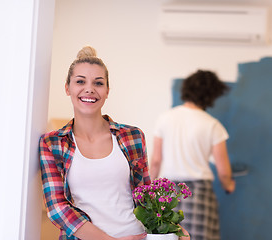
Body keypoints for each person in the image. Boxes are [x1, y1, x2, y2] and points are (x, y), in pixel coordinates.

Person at [39, 46, 188, 240]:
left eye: (98, 83)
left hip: (137, 235)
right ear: (67, 88)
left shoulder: (132, 136)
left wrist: (173, 228)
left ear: (107, 90)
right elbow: (58, 208)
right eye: (80, 81)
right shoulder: (52, 144)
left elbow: (146, 197)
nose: (89, 89)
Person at [150, 70, 236, 240]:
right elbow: (224, 172)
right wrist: (229, 185)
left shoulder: (165, 118)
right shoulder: (212, 125)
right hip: (199, 193)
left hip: (169, 193)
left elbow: (155, 161)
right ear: (211, 96)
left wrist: (150, 194)